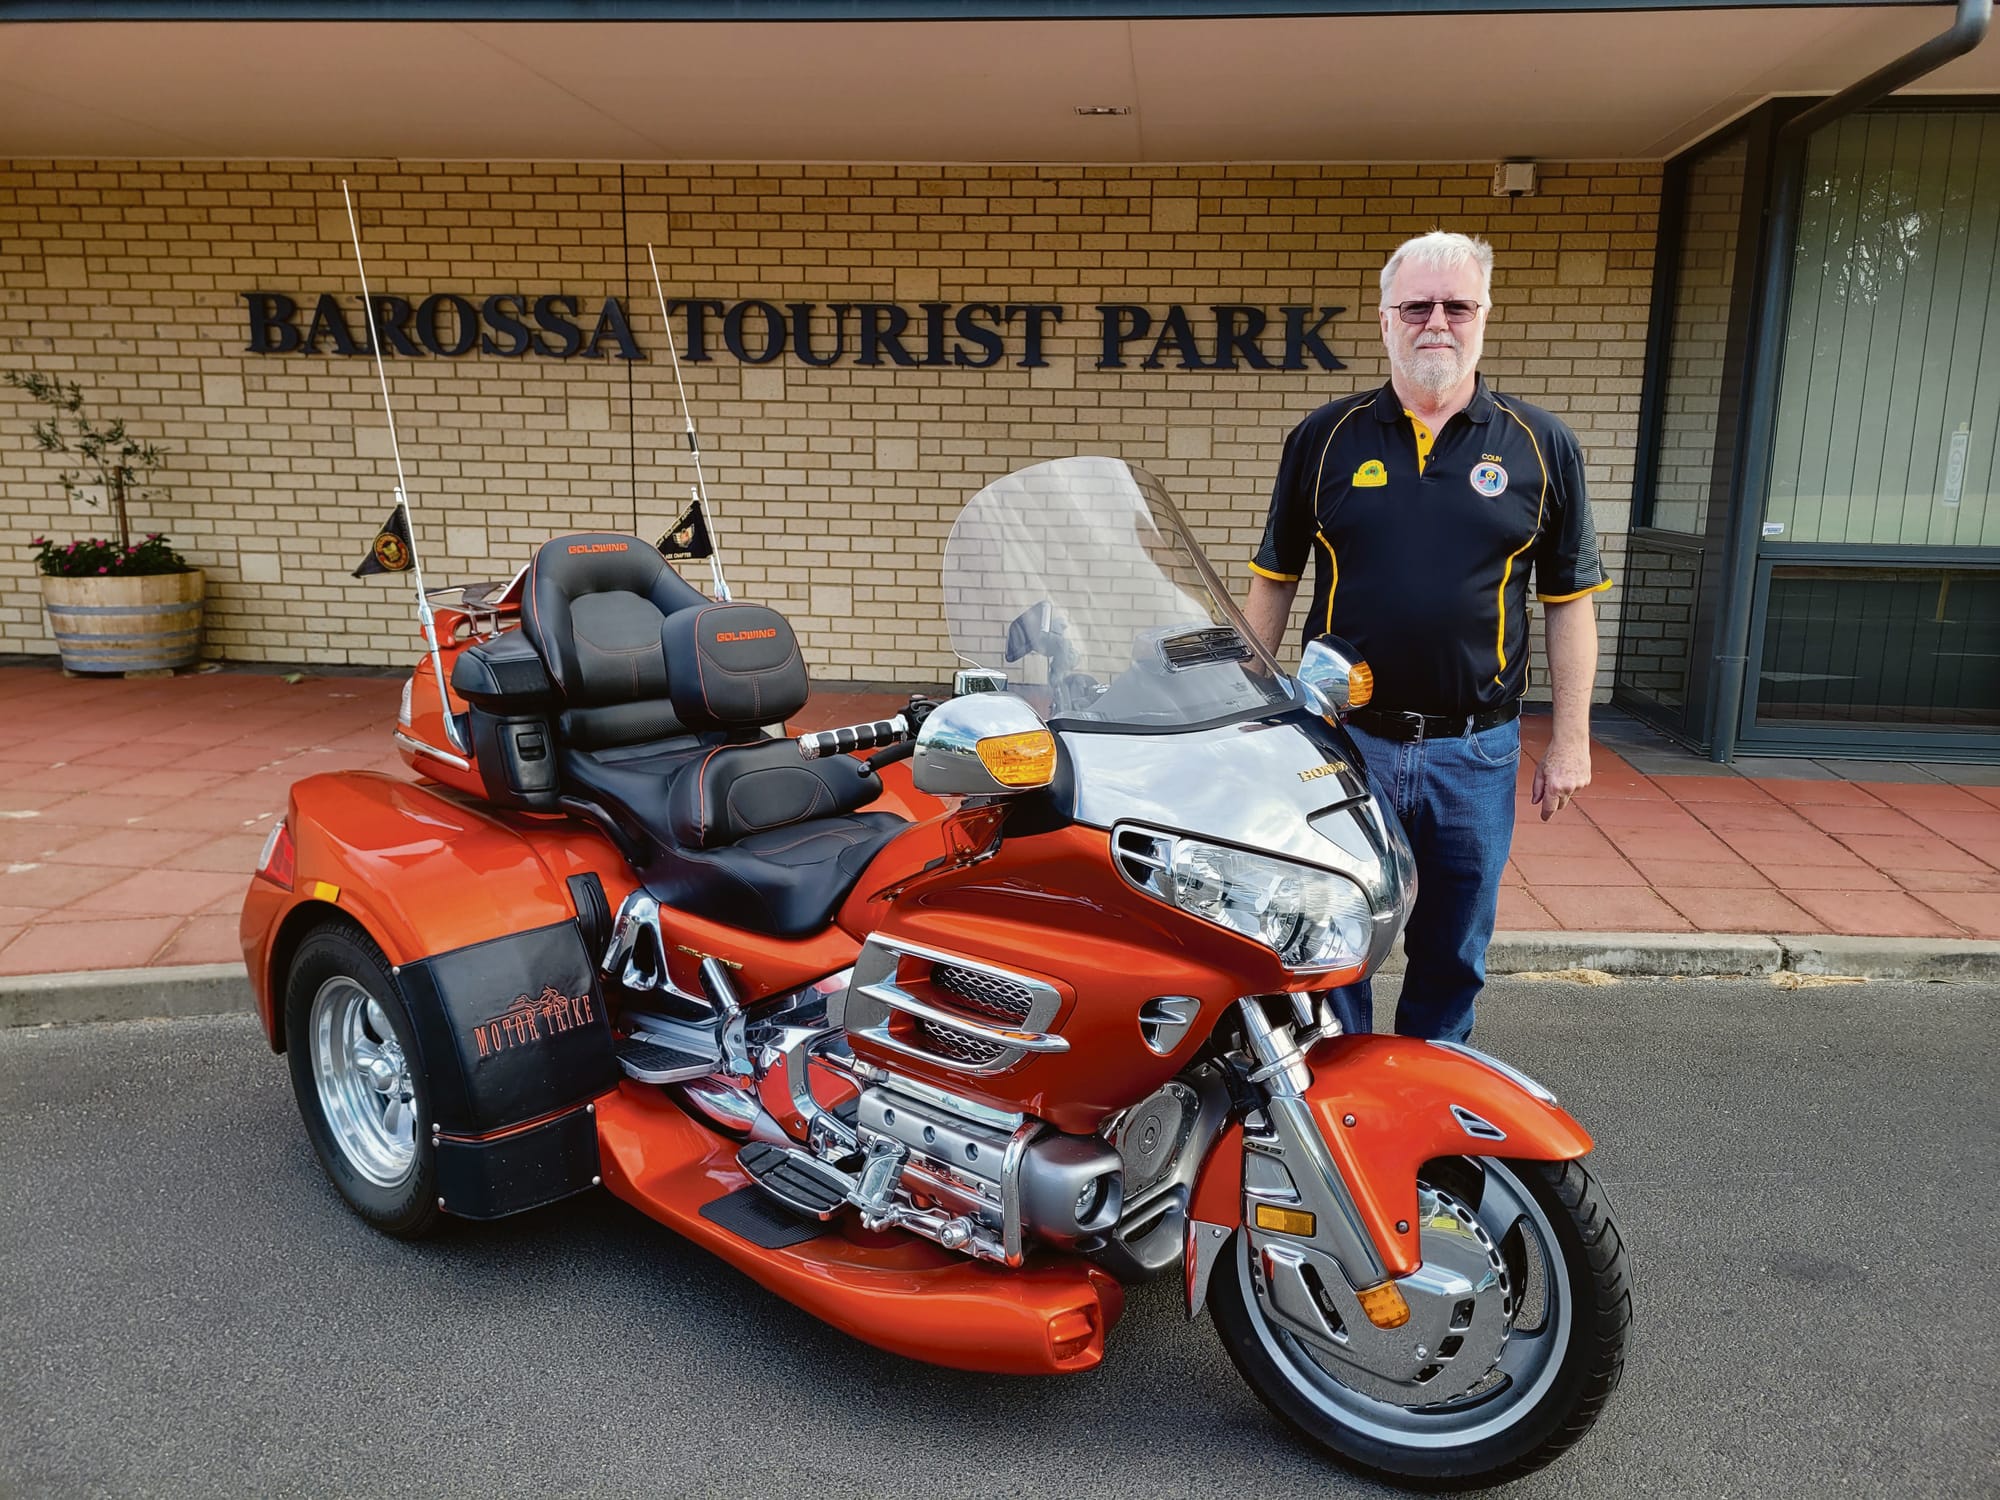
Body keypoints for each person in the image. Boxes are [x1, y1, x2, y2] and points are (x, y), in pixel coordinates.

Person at [1244, 231, 1610, 1042]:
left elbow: (1569, 601)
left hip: (1475, 752)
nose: (1436, 322)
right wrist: (1252, 714)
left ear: (1484, 316)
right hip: (1341, 747)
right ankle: (1334, 1107)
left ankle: (1423, 1100)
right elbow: (1274, 578)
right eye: (1417, 306)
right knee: (1330, 940)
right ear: (1385, 321)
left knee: (1451, 953)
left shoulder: (1541, 446)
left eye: (1457, 305)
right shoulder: (1325, 437)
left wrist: (1571, 742)